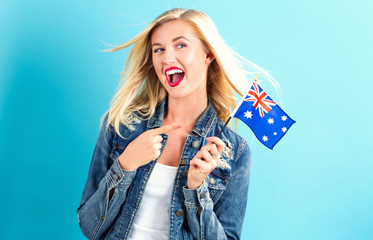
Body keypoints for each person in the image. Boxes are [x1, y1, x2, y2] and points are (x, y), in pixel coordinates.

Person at [77, 8, 271, 240]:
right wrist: (125, 164)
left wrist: (197, 188)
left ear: (208, 55)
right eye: (159, 49)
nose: (167, 57)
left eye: (180, 45)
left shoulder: (234, 150)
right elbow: (90, 228)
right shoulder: (121, 126)